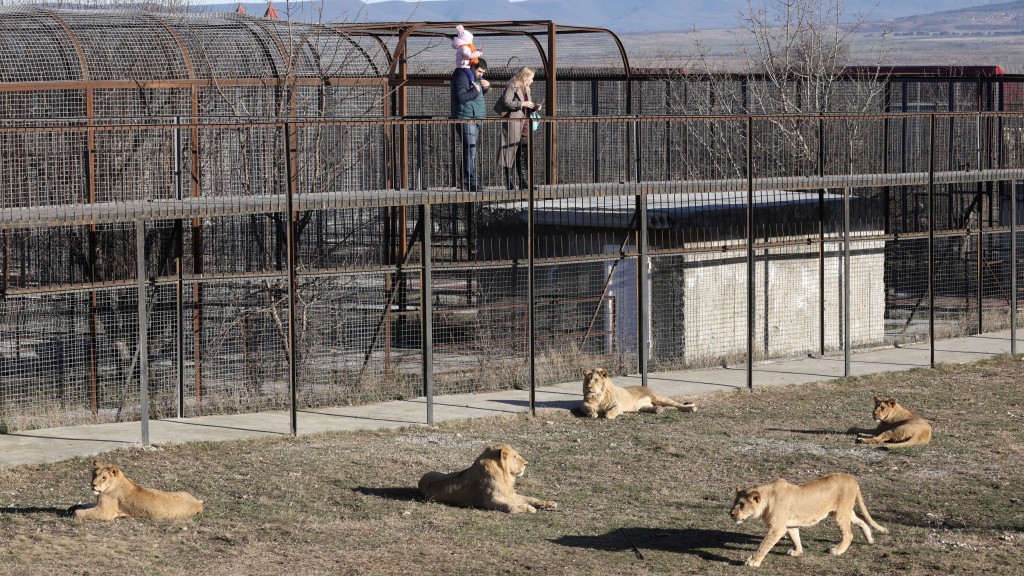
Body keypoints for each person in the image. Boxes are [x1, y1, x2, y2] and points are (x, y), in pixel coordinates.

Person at [494, 66, 541, 190]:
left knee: (522, 153)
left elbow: (527, 107)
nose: (532, 81)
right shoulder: (512, 85)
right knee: (509, 151)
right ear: (525, 77)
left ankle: (523, 181)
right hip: (514, 122)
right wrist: (522, 104)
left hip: (525, 123)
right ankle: (509, 182)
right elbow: (505, 102)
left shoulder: (527, 89)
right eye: (531, 78)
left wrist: (534, 107)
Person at [450, 58, 489, 192]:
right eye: (479, 71)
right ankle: (469, 182)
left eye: (483, 72)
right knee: (470, 151)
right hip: (466, 118)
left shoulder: (473, 76)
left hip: (474, 117)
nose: (481, 74)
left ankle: (468, 182)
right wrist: (477, 91)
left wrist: (485, 88)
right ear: (472, 66)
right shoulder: (462, 76)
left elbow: (476, 95)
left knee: (470, 151)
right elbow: (461, 97)